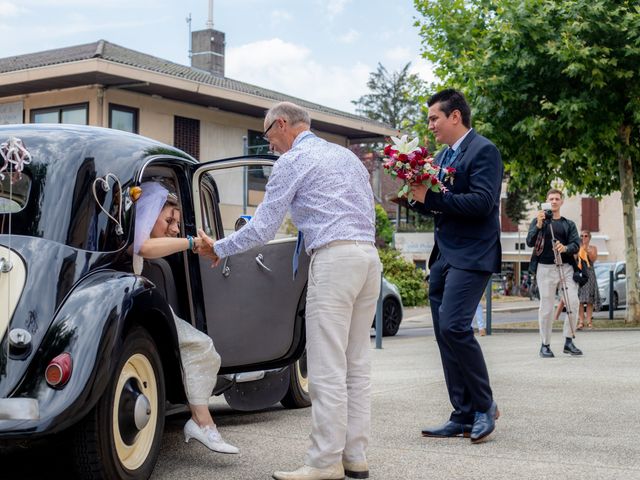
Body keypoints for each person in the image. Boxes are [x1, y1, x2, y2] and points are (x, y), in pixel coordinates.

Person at [197, 102, 381, 480]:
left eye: (268, 136)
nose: (271, 146)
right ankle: (355, 456)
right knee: (356, 364)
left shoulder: (293, 162)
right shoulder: (346, 157)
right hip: (368, 259)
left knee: (327, 366)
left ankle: (323, 461)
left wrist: (218, 247)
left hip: (333, 260)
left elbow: (263, 228)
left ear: (281, 124)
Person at [409, 89, 501, 444]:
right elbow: (439, 205)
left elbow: (482, 202)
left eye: (434, 118)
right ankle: (461, 413)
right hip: (444, 255)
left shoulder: (484, 151)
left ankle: (485, 406)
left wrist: (431, 197)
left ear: (455, 117)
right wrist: (414, 199)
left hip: (473, 254)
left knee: (455, 326)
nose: (430, 125)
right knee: (444, 334)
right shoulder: (443, 155)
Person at [133, 182, 239, 454]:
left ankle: (201, 421)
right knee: (201, 346)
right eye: (169, 219)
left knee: (202, 346)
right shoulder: (138, 239)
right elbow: (144, 247)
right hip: (136, 304)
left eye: (177, 222)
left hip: (139, 302)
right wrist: (193, 242)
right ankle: (202, 423)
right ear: (147, 213)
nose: (175, 227)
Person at [526, 188, 583, 358]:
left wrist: (565, 248)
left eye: (557, 198)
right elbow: (530, 242)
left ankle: (568, 341)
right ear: (546, 201)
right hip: (545, 268)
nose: (554, 201)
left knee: (573, 302)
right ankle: (545, 344)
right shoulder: (539, 221)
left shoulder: (568, 224)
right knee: (547, 307)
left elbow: (576, 244)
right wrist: (537, 226)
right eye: (551, 198)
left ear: (562, 201)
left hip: (565, 267)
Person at [576, 230, 600, 329]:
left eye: (585, 236)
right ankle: (581, 321)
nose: (583, 238)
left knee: (589, 300)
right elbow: (574, 259)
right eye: (581, 236)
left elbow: (593, 259)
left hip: (590, 274)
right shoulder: (577, 247)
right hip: (580, 273)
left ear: (589, 238)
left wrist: (586, 249)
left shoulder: (593, 248)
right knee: (580, 300)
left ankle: (589, 321)